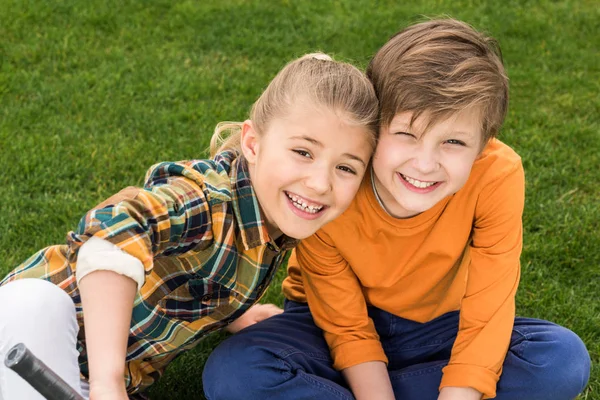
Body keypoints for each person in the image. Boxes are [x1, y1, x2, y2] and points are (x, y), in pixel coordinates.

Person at [203, 19, 591, 400]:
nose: (425, 164)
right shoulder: (337, 180)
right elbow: (346, 327)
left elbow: (489, 307)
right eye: (407, 134)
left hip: (441, 327)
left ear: (484, 144)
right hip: (324, 326)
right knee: (235, 374)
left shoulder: (497, 174)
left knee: (559, 359)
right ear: (374, 127)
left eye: (453, 141)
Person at [0, 53, 380, 399]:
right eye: (303, 152)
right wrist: (108, 383)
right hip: (25, 334)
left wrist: (238, 314)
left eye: (345, 167)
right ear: (252, 143)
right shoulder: (208, 200)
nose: (320, 183)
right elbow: (113, 231)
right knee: (38, 302)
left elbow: (206, 270)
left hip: (73, 379)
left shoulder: (275, 224)